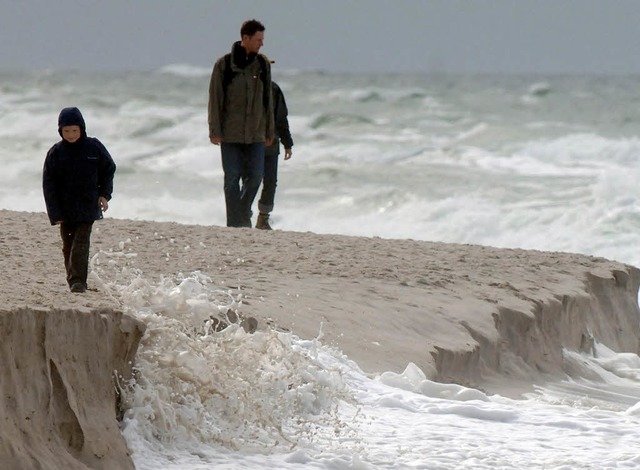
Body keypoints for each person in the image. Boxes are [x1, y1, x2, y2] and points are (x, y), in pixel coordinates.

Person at [208, 19, 275, 228]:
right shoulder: (224, 65)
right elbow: (215, 99)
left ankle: (242, 213)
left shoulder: (263, 64)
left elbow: (268, 102)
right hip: (230, 133)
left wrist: (269, 131)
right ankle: (234, 224)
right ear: (245, 38)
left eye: (262, 40)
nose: (261, 44)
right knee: (232, 180)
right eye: (258, 40)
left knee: (255, 177)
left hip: (256, 133)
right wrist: (214, 130)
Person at [42, 107, 116, 293]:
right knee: (68, 245)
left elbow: (109, 169)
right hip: (65, 209)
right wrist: (55, 213)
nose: (71, 134)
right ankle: (73, 279)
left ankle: (78, 282)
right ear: (60, 131)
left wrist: (104, 195)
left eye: (75, 130)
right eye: (66, 131)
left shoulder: (94, 147)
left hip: (87, 206)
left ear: (82, 128)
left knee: (81, 242)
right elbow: (48, 185)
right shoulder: (56, 153)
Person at [255, 79, 294, 230]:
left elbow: (281, 117)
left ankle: (263, 218)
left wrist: (287, 143)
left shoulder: (273, 89)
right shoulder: (246, 87)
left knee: (270, 181)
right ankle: (245, 214)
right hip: (249, 141)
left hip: (271, 142)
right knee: (251, 179)